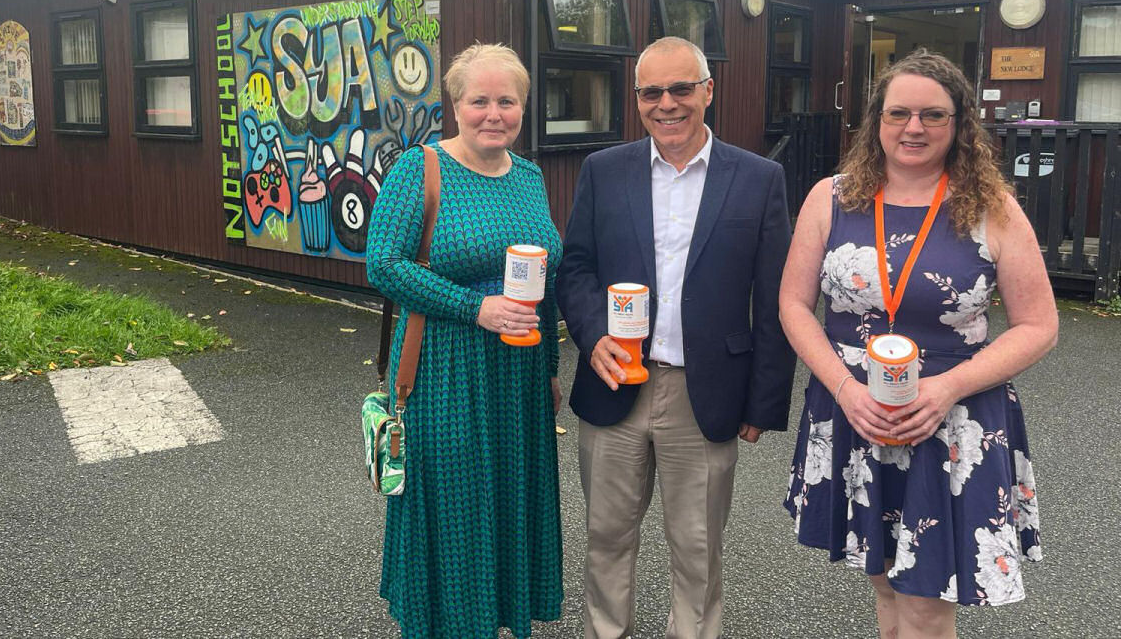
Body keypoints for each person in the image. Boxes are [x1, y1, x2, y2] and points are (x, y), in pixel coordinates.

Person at [780, 49, 1058, 639]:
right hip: (854, 408)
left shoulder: (993, 208)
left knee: (928, 604)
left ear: (959, 126)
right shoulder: (829, 198)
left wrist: (947, 386)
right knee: (884, 585)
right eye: (898, 112)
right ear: (876, 120)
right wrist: (844, 388)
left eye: (933, 115)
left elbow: (1039, 325)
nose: (913, 127)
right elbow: (793, 307)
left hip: (952, 419)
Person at [556, 36, 795, 639]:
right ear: (637, 99)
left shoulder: (758, 179)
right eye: (652, 92)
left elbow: (775, 300)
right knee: (606, 537)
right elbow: (576, 267)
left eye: (681, 88)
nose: (667, 103)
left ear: (708, 91)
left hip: (706, 391)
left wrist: (764, 401)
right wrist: (592, 337)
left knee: (697, 547)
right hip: (615, 382)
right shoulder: (604, 171)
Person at [365, 43, 563, 639]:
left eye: (508, 101)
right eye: (480, 100)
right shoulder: (418, 169)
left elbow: (543, 281)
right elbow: (384, 265)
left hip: (518, 375)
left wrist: (550, 365)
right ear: (455, 105)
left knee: (506, 498)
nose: (493, 113)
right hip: (445, 371)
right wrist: (473, 307)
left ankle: (493, 616)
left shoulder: (529, 177)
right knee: (451, 506)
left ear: (523, 109)